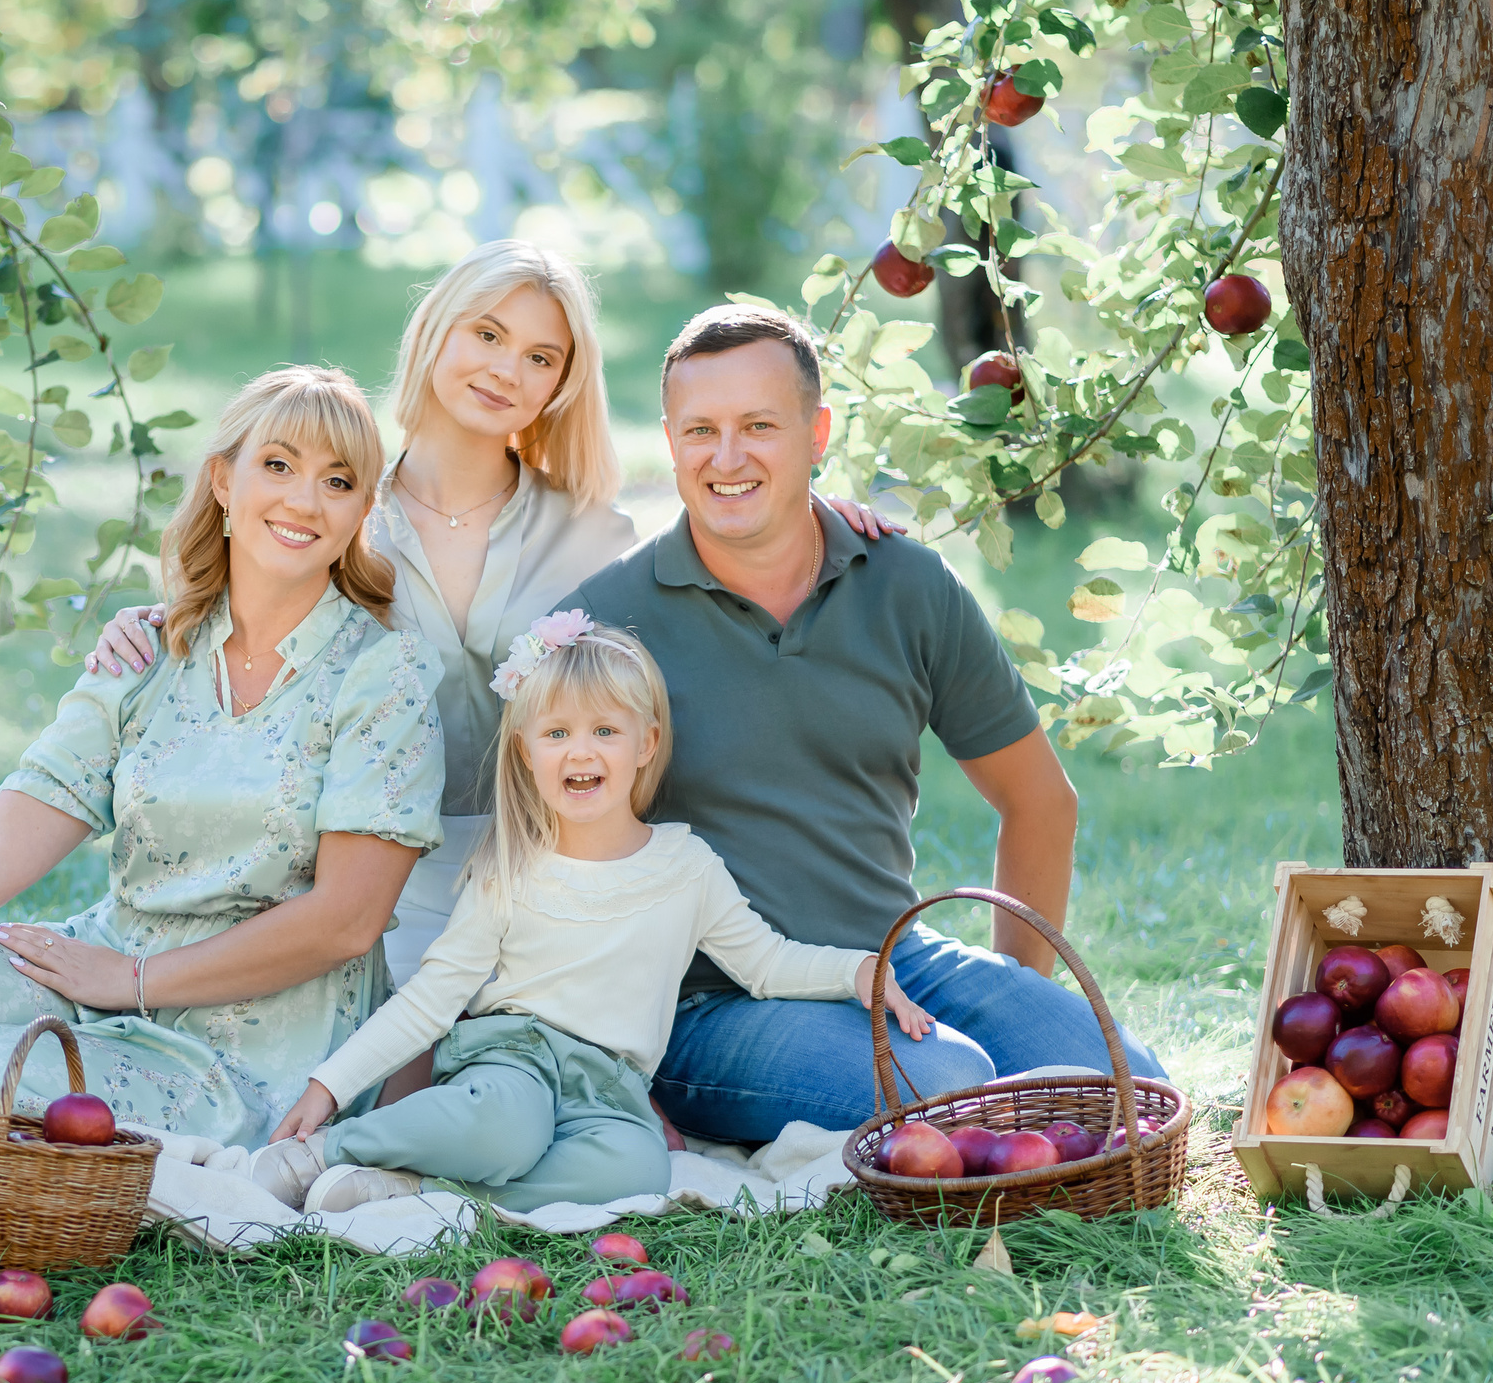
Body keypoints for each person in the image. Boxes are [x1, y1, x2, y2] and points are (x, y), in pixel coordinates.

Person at [84, 241, 898, 996]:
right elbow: (254, 608)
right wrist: (163, 620)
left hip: (551, 887)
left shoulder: (594, 535)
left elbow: (714, 570)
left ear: (560, 385)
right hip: (360, 880)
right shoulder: (336, 515)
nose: (507, 369)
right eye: (488, 333)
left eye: (540, 357)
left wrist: (809, 514)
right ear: (438, 330)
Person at [0, 366, 447, 1184]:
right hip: (101, 964)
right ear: (223, 482)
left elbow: (346, 920)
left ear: (361, 513)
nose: (305, 500)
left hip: (255, 1044)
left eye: (338, 481)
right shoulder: (146, 653)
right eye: (278, 464)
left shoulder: (383, 675)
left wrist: (135, 982)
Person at [554, 305, 1167, 1141]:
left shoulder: (908, 585)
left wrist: (1013, 998)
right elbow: (537, 857)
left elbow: (1040, 803)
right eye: (700, 429)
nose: (726, 458)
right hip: (707, 1004)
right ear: (669, 440)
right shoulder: (603, 622)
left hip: (891, 959)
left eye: (759, 426)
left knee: (1130, 1090)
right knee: (955, 1087)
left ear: (818, 433)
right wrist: (606, 1065)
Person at [242, 616, 934, 1214]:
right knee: (504, 1128)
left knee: (635, 1170)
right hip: (513, 1061)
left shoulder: (686, 866)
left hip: (609, 1085)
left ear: (646, 744)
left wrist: (858, 969)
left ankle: (420, 1191)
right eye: (558, 731)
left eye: (606, 729)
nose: (581, 749)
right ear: (527, 750)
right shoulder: (510, 869)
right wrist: (328, 1088)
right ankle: (329, 1154)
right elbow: (433, 997)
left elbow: (765, 962)